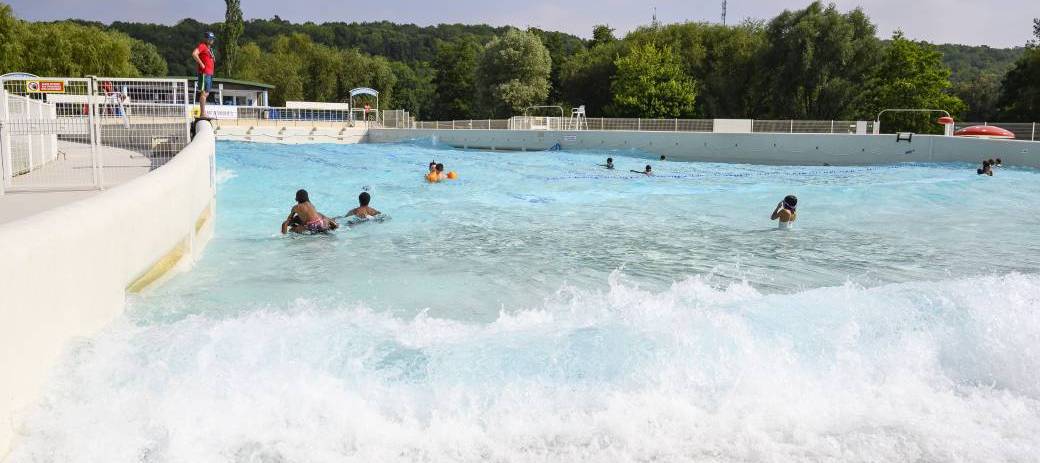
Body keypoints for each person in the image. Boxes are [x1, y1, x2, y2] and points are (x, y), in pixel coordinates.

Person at [192, 32, 216, 119]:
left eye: (213, 38)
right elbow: (194, 54)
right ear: (206, 39)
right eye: (210, 38)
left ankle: (203, 112)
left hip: (209, 73)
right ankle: (202, 113)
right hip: (204, 73)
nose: (212, 40)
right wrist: (201, 63)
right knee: (203, 93)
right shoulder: (202, 46)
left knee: (207, 93)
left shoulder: (209, 49)